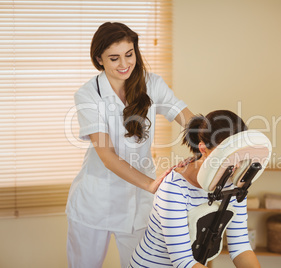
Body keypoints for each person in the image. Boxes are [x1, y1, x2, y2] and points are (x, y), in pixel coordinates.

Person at [65, 22, 194, 268]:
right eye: (114, 58)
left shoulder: (151, 83)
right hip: (95, 203)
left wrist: (213, 140)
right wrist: (151, 184)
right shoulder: (88, 95)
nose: (124, 64)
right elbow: (107, 155)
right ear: (99, 59)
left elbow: (185, 116)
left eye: (129, 54)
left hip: (139, 205)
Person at [129, 110, 261, 268]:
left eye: (239, 154)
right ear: (203, 149)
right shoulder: (174, 188)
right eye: (228, 155)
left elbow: (240, 246)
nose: (237, 165)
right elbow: (183, 261)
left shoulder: (233, 186)